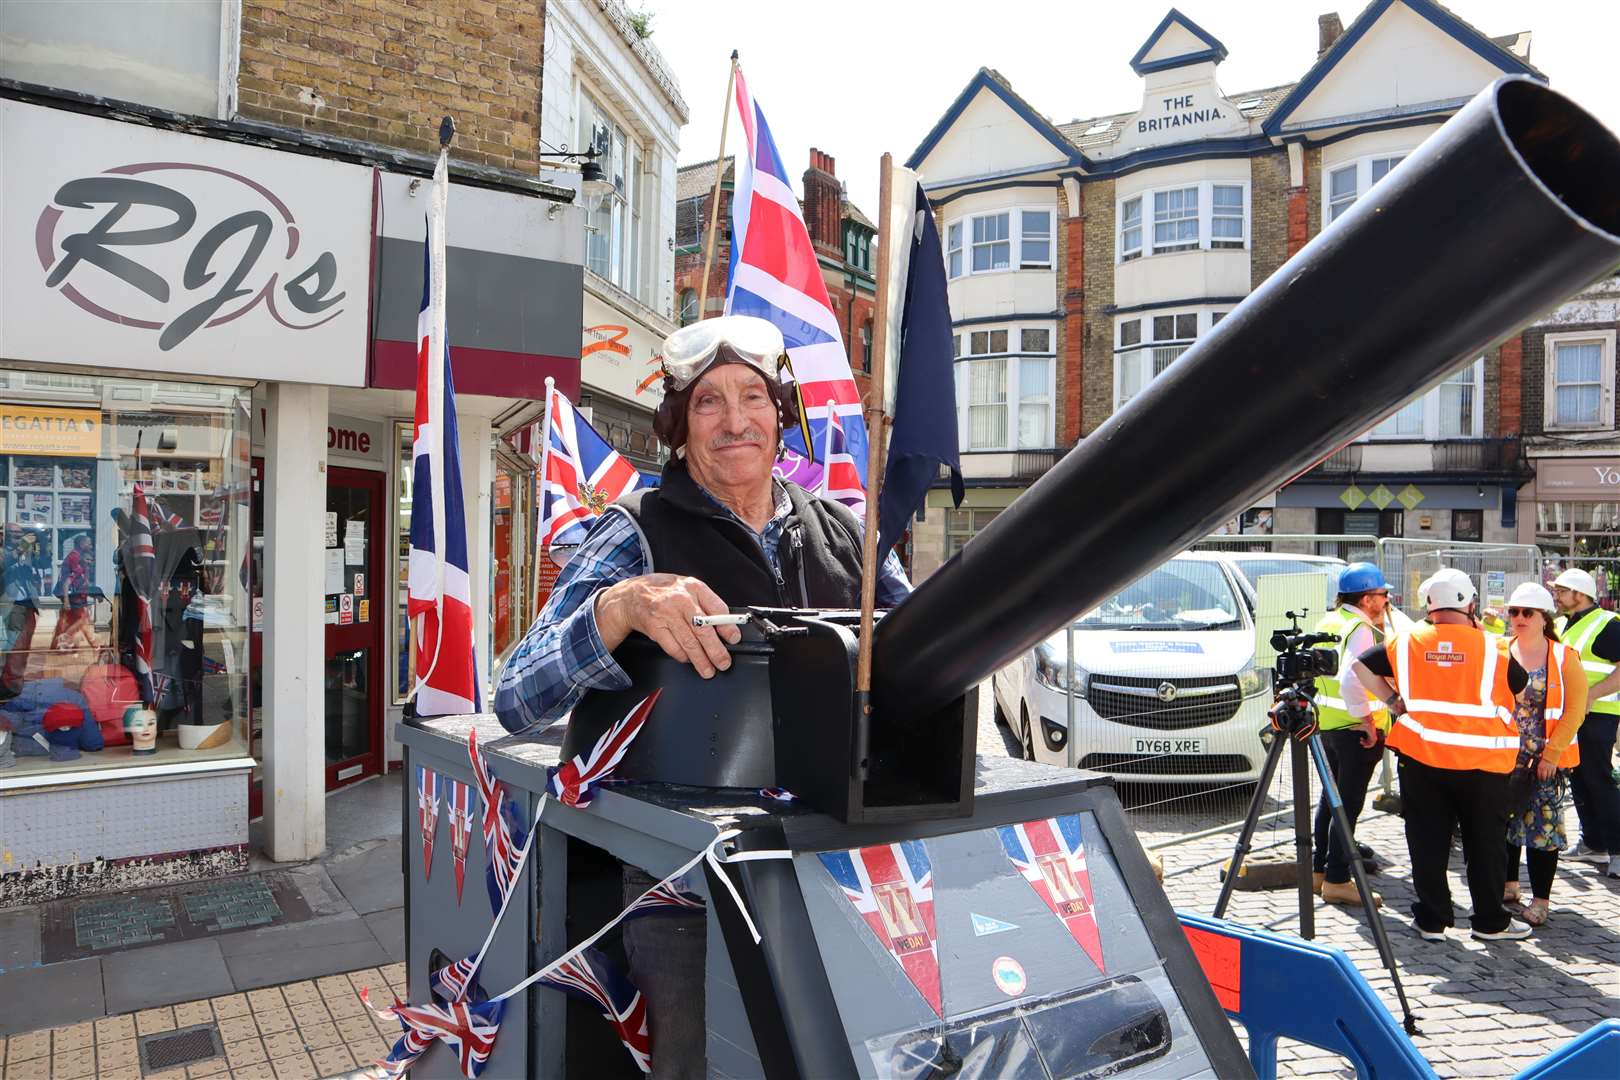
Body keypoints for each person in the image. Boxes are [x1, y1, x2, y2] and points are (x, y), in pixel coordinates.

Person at [494, 315, 909, 1079]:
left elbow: (918, 657)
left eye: (753, 396)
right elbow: (517, 694)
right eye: (707, 402)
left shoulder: (848, 532)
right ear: (678, 427)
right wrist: (617, 610)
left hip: (837, 867)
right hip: (684, 896)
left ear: (782, 414)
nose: (734, 421)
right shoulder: (632, 532)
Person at [1351, 568, 1531, 942]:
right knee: (1485, 844)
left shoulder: (1406, 641)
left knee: (1427, 839)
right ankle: (1490, 923)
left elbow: (1360, 666)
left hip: (1422, 761)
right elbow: (1521, 689)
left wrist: (1392, 702)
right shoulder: (1493, 646)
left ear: (1429, 606)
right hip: (1483, 766)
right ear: (1470, 604)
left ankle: (1432, 920)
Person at [1501, 582, 1586, 926]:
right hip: (1504, 754)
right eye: (1514, 612)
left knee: (1543, 829)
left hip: (1544, 761)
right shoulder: (1501, 649)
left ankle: (1540, 900)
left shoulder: (1564, 657)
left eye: (1527, 613)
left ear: (1543, 618)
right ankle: (1508, 885)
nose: (1519, 618)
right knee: (1504, 823)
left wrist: (1551, 755)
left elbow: (1575, 710)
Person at [1310, 562, 1394, 907]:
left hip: (1327, 724)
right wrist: (1368, 722)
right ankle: (1338, 880)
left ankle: (1319, 871)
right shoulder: (1360, 628)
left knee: (1330, 801)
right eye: (1382, 594)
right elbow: (1352, 679)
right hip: (1355, 729)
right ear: (1366, 597)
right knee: (1348, 806)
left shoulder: (1328, 621)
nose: (1386, 600)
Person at [1550, 568, 1620, 879]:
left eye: (1563, 591)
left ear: (1580, 594)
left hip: (1598, 714)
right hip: (1574, 716)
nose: (1558, 596)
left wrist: (1590, 696)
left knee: (1599, 781)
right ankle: (1593, 843)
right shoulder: (1564, 624)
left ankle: (1617, 850)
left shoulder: (1607, 624)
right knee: (1579, 779)